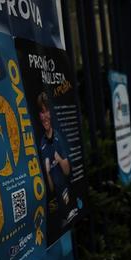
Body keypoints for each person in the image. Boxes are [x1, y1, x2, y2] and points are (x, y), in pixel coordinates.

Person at [38, 92, 79, 225]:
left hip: (69, 196)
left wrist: (60, 160)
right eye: (42, 112)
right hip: (57, 207)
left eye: (47, 111)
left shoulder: (58, 137)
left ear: (51, 113)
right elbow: (50, 189)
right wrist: (47, 172)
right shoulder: (42, 144)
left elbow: (67, 172)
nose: (45, 116)